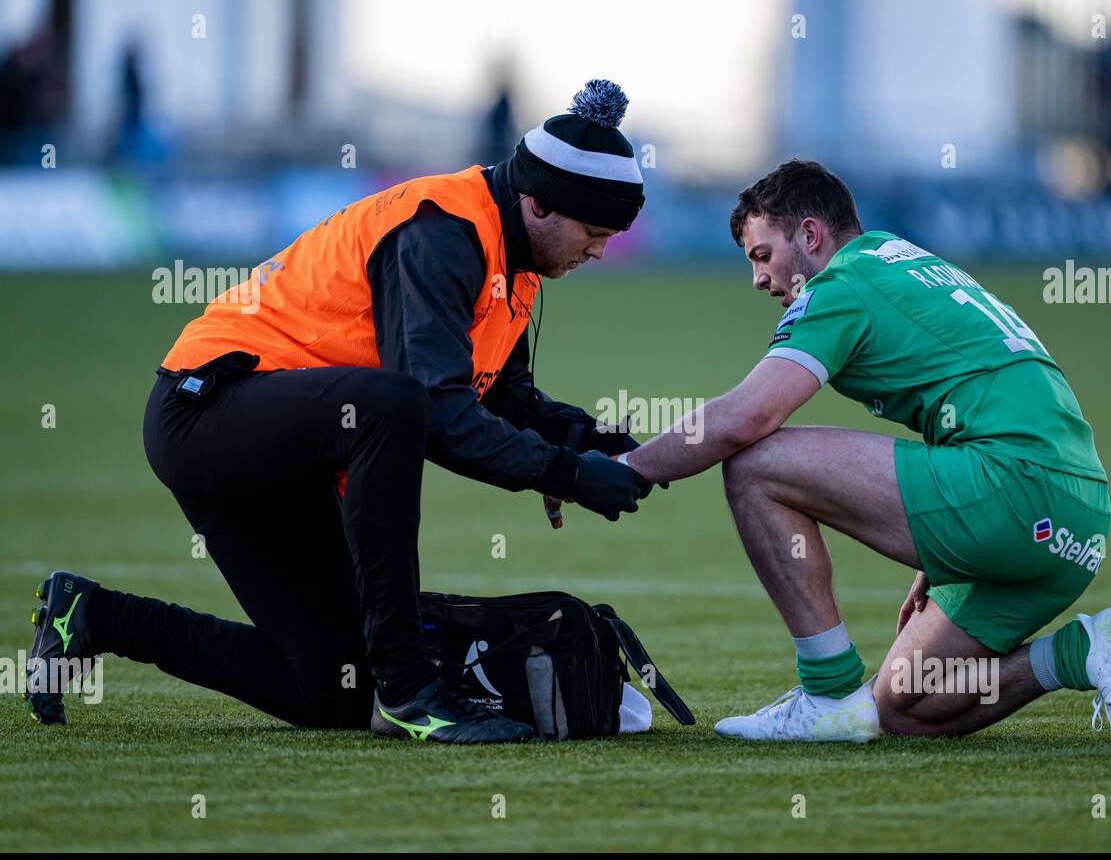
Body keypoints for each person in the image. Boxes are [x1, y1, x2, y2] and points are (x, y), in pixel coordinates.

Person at [24, 80, 655, 744]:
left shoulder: (513, 256)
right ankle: (412, 694)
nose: (600, 251)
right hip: (207, 413)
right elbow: (438, 411)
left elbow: (503, 398)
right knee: (394, 407)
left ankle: (91, 616)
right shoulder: (442, 232)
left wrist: (594, 439)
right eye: (594, 231)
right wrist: (568, 475)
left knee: (331, 688)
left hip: (287, 439)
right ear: (539, 203)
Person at [621, 159, 1111, 746]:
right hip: (1076, 521)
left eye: (762, 255)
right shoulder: (900, 258)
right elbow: (972, 394)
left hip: (1013, 490)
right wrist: (937, 561)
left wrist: (626, 470)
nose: (758, 279)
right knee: (903, 706)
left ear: (810, 235)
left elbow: (747, 416)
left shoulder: (841, 285)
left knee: (755, 463)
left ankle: (828, 694)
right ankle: (1085, 651)